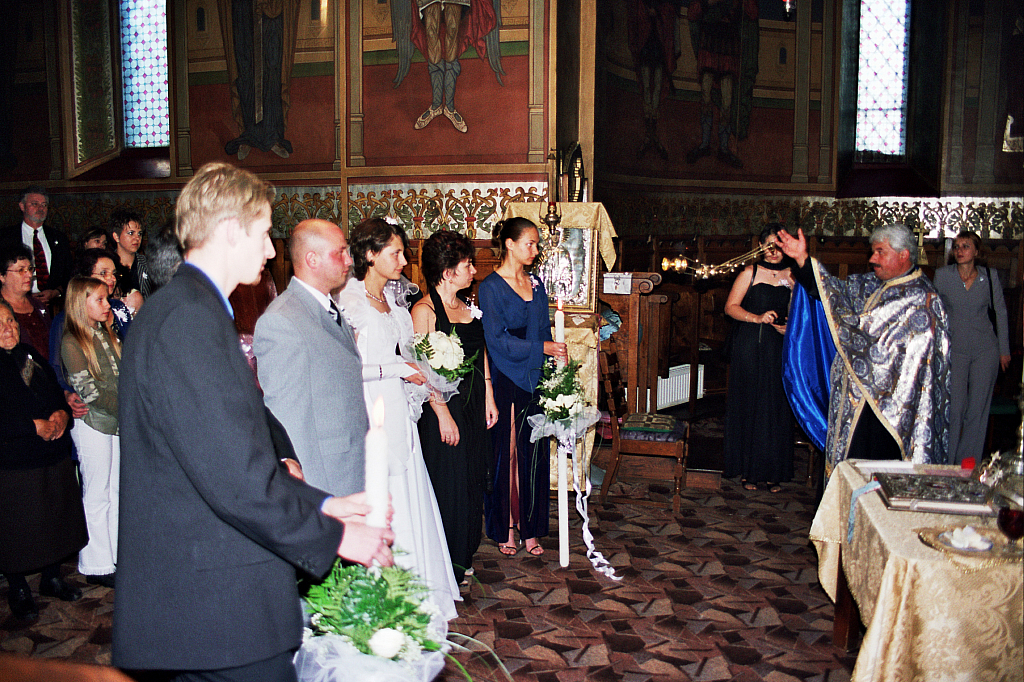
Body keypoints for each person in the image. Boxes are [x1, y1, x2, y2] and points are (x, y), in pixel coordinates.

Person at [112, 162, 394, 682]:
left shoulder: (187, 310)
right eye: (263, 234)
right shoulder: (188, 320)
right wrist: (335, 536)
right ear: (228, 231)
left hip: (208, 602)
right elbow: (235, 477)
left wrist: (327, 502)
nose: (270, 251)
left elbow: (229, 450)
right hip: (214, 607)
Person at [338, 217, 460, 621]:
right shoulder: (350, 302)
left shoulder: (394, 302)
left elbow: (409, 358)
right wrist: (396, 370)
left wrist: (428, 385)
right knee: (383, 490)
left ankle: (418, 591)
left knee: (410, 489)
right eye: (395, 253)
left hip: (399, 410)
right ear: (370, 256)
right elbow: (348, 369)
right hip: (370, 409)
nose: (404, 261)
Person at [777, 223, 951, 480]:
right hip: (854, 400)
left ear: (904, 255)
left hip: (887, 414)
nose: (872, 259)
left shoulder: (923, 300)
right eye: (873, 252)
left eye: (880, 252)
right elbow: (832, 293)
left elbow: (915, 366)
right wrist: (802, 259)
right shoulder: (871, 285)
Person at [254, 219, 369, 497]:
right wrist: (310, 497)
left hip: (351, 466)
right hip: (326, 478)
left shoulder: (330, 307)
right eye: (339, 252)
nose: (348, 260)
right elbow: (288, 421)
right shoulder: (282, 321)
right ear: (312, 259)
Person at [412, 230, 499, 584]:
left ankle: (464, 552)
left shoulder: (468, 306)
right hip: (444, 409)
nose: (473, 271)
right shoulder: (424, 310)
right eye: (467, 265)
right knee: (450, 482)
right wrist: (443, 412)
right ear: (447, 272)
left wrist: (490, 396)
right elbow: (421, 368)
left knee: (472, 479)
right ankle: (448, 560)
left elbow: (482, 355)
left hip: (475, 402)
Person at [478, 217, 567, 557]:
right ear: (510, 245)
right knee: (507, 454)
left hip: (534, 375)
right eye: (529, 243)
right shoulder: (490, 287)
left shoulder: (538, 284)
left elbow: (543, 328)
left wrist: (554, 355)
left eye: (536, 244)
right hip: (503, 373)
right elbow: (496, 340)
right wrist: (541, 348)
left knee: (533, 453)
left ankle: (531, 529)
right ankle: (505, 527)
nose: (535, 250)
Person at [0, 299, 88, 622]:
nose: (8, 328)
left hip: (51, 450)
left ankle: (52, 577)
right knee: (17, 529)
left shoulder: (30, 355)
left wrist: (62, 415)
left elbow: (54, 390)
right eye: (0, 324)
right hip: (15, 459)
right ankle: (19, 589)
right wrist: (32, 427)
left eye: (10, 320)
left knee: (55, 518)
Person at [61, 276, 122, 589]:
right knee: (96, 494)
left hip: (113, 424)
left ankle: (113, 555)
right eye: (98, 300)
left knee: (113, 491)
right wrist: (127, 405)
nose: (106, 304)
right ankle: (95, 562)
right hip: (94, 424)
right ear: (79, 303)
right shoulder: (72, 341)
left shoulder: (104, 332)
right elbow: (89, 391)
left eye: (105, 298)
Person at [723, 224, 794, 493]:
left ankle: (773, 471)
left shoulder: (792, 276)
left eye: (779, 245)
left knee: (775, 406)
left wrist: (790, 327)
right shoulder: (749, 272)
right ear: (761, 246)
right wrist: (757, 318)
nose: (774, 250)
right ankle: (749, 471)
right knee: (751, 403)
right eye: (769, 245)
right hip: (751, 345)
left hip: (778, 345)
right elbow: (730, 308)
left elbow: (799, 310)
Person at [933, 231, 1011, 465]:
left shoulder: (989, 277)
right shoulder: (943, 276)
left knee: (977, 410)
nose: (959, 250)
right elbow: (934, 313)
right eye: (956, 246)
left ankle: (967, 464)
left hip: (985, 350)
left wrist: (1004, 350)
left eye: (965, 246)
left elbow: (1001, 313)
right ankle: (948, 463)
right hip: (954, 350)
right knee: (955, 409)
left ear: (976, 252)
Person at [0, 185, 73, 306]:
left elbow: (69, 273)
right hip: (14, 305)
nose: (41, 208)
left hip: (53, 306)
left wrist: (56, 292)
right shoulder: (5, 238)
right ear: (22, 206)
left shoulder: (59, 238)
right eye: (34, 204)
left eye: (44, 205)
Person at [1, 243, 51, 360]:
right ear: (2, 276)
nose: (29, 275)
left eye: (29, 269)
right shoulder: (2, 310)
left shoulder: (39, 306)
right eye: (21, 270)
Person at [109, 208, 150, 304]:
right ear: (116, 237)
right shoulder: (108, 264)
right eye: (131, 233)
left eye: (139, 234)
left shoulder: (147, 264)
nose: (137, 238)